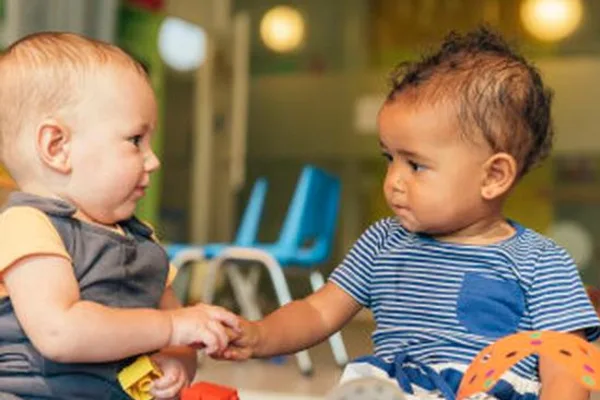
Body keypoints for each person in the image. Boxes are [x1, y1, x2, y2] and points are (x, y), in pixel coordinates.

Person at [217, 28, 600, 400]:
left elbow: (564, 366)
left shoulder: (542, 262)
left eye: (415, 165)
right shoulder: (383, 242)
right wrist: (260, 335)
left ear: (493, 176)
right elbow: (317, 312)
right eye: (389, 158)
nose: (393, 181)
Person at [0, 32, 240, 399]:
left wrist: (177, 361)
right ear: (57, 147)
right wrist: (171, 326)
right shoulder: (27, 226)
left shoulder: (142, 240)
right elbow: (59, 332)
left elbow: (177, 338)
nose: (153, 160)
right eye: (135, 141)